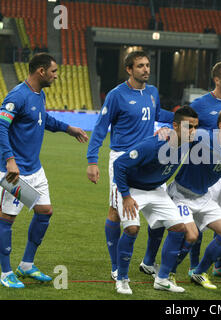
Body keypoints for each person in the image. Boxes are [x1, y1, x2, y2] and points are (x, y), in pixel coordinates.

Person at [0, 53, 88, 288]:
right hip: (15, 173)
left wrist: (69, 128)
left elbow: (43, 119)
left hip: (35, 170)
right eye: (54, 71)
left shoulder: (39, 94)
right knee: (7, 219)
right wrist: (10, 160)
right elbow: (1, 126)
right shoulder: (17, 96)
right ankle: (6, 272)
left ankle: (26, 265)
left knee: (45, 211)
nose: (56, 76)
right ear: (41, 71)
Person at [86, 50, 174, 281]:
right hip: (122, 159)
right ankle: (116, 266)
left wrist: (181, 118)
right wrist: (92, 161)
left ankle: (148, 261)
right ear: (129, 69)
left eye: (147, 65)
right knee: (116, 212)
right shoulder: (117, 95)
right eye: (141, 66)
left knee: (162, 213)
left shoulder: (152, 92)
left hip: (147, 158)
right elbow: (100, 127)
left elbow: (157, 113)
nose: (146, 69)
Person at [112, 106, 199, 294]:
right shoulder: (153, 145)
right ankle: (122, 279)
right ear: (175, 126)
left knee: (178, 228)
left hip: (157, 190)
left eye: (195, 127)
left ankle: (162, 279)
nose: (193, 132)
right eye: (188, 127)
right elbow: (119, 165)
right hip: (132, 189)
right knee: (132, 228)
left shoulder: (188, 141)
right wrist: (126, 196)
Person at [167, 108, 221, 290]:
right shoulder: (201, 136)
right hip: (181, 195)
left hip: (204, 196)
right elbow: (180, 131)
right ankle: (168, 272)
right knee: (191, 235)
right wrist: (164, 130)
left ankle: (199, 272)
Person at [184, 61, 221, 278]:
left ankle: (218, 264)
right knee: (198, 222)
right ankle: (194, 264)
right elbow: (186, 128)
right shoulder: (199, 104)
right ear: (217, 80)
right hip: (204, 172)